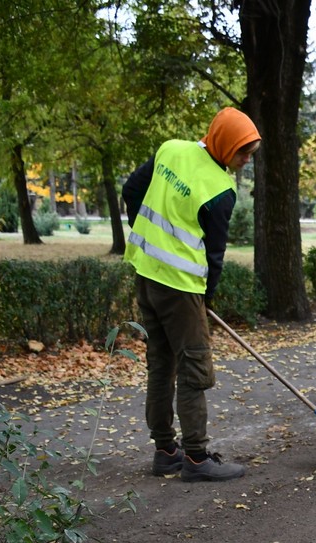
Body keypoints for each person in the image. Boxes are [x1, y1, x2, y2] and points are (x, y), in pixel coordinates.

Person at [122, 107, 261, 482]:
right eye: (243, 152)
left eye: (251, 153)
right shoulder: (220, 190)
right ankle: (197, 458)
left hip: (146, 275)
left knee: (161, 363)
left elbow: (131, 191)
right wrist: (207, 297)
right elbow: (214, 256)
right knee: (195, 367)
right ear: (224, 142)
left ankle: (165, 452)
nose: (246, 160)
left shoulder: (170, 149)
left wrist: (150, 238)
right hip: (181, 288)